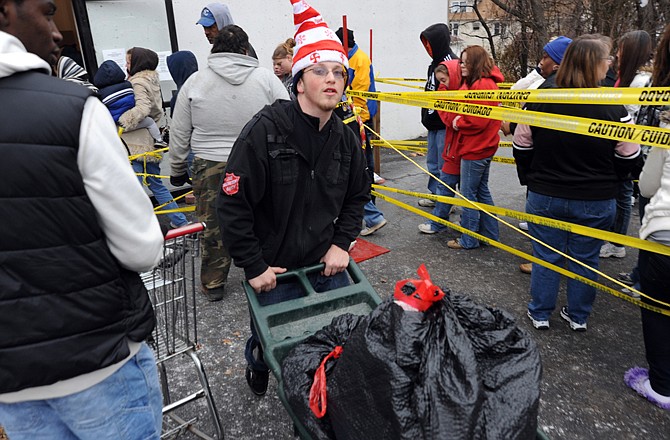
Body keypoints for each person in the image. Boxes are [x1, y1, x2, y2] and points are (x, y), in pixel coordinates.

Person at [0, 1, 164, 438]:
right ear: (3, 13)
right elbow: (142, 247)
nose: (57, 33)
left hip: (10, 380)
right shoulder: (73, 109)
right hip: (97, 355)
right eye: (47, 13)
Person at [217, 0, 369, 396]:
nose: (332, 79)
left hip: (324, 265)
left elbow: (357, 196)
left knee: (324, 344)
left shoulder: (345, 139)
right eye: (320, 71)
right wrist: (253, 265)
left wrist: (341, 244)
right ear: (300, 81)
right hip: (274, 272)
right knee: (270, 345)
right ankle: (258, 362)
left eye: (339, 72)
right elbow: (232, 205)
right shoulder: (264, 132)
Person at [513, 35, 641, 332]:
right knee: (586, 258)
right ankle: (578, 316)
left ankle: (541, 313)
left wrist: (532, 175)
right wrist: (614, 176)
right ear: (594, 65)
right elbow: (629, 153)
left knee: (545, 255)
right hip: (596, 198)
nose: (609, 65)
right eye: (606, 61)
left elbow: (521, 145)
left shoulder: (541, 98)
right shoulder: (613, 105)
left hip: (545, 193)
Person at [170, 26, 288, 302]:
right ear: (246, 50)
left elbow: (179, 131)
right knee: (262, 218)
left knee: (213, 225)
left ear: (214, 50)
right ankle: (263, 272)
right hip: (258, 161)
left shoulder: (195, 81)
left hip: (210, 163)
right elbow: (287, 119)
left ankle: (213, 283)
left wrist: (177, 169)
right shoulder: (266, 79)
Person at [623, 23, 670, 411]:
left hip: (664, 231)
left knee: (658, 311)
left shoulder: (662, 104)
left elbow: (649, 182)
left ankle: (662, 385)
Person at [502, 35, 572, 273]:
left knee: (549, 230)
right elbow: (516, 90)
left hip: (545, 172)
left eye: (546, 56)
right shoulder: (547, 82)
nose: (541, 61)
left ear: (559, 62)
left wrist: (527, 166)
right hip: (563, 173)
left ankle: (544, 272)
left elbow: (524, 137)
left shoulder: (548, 91)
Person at [120, 46, 190, 230]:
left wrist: (122, 122)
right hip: (151, 141)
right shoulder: (151, 79)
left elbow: (143, 110)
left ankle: (139, 229)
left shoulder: (137, 82)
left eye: (128, 62)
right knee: (156, 184)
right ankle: (180, 222)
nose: (126, 66)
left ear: (137, 63)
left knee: (134, 188)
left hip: (138, 144)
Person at [600, 30, 652, 260]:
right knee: (620, 192)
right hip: (620, 142)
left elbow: (630, 111)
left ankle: (616, 243)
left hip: (630, 144)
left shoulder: (640, 81)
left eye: (621, 49)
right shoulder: (626, 76)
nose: (617, 54)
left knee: (623, 193)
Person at [446, 45, 503, 250]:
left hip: (475, 148)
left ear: (475, 63)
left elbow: (477, 121)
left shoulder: (481, 85)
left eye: (465, 62)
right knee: (481, 192)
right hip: (483, 147)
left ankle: (469, 239)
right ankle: (490, 234)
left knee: (468, 194)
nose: (461, 65)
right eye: (461, 61)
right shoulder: (484, 83)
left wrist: (458, 122)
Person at [335, 27, 387, 237]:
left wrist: (359, 118)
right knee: (358, 169)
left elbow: (361, 92)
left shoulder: (359, 60)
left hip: (359, 119)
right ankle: (367, 212)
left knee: (361, 167)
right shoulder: (347, 58)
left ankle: (370, 211)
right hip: (353, 117)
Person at [417, 60, 462, 234]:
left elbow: (459, 120)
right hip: (453, 144)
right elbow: (449, 117)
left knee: (467, 189)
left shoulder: (466, 91)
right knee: (446, 178)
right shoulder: (447, 90)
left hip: (463, 148)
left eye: (444, 80)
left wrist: (457, 121)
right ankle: (442, 220)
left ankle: (472, 225)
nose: (441, 85)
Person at [418, 23, 458, 208]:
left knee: (444, 166)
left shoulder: (452, 63)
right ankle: (436, 195)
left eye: (429, 44)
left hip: (444, 125)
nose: (427, 48)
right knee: (432, 164)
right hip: (432, 124)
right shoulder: (433, 64)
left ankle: (445, 204)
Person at [93, 59, 166, 147]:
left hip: (115, 126)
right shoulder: (128, 85)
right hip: (132, 122)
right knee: (150, 122)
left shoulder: (101, 93)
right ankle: (159, 140)